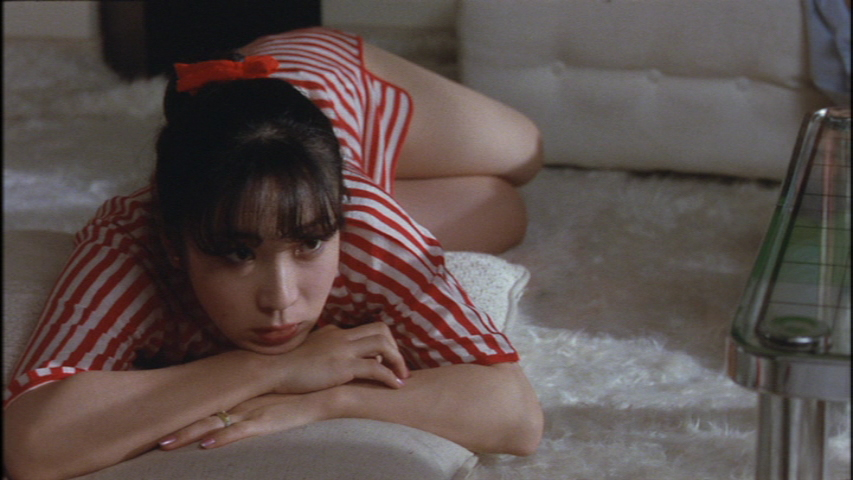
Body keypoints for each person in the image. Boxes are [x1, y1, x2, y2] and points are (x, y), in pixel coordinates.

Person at [3, 27, 544, 480]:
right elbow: (33, 445)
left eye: (309, 244)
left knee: (526, 156)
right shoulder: (130, 237)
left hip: (333, 76)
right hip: (292, 163)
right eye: (237, 254)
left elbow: (517, 418)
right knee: (502, 209)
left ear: (338, 226)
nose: (281, 300)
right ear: (173, 243)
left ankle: (350, 170)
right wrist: (276, 367)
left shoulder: (366, 226)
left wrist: (331, 399)